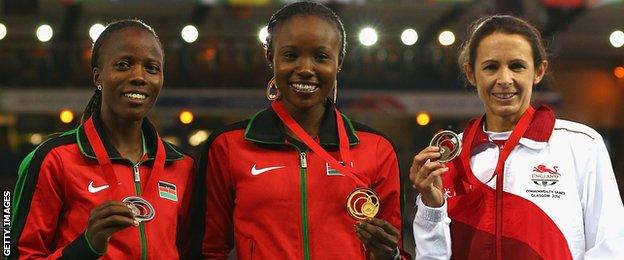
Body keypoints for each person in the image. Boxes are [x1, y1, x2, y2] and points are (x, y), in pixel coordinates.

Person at [195, 2, 406, 259]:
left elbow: (398, 252)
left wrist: (389, 255)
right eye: (290, 55)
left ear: (339, 62)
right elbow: (209, 250)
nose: (306, 69)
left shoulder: (376, 149)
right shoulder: (228, 146)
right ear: (270, 57)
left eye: (321, 57)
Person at [410, 15, 624, 259]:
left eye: (517, 66)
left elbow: (610, 247)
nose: (504, 79)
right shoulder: (449, 158)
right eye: (491, 67)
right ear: (471, 73)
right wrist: (431, 208)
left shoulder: (581, 145)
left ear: (539, 71)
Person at [9, 19, 195, 259]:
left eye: (151, 68)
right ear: (98, 77)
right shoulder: (53, 160)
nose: (139, 76)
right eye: (123, 64)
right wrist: (86, 246)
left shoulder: (183, 167)